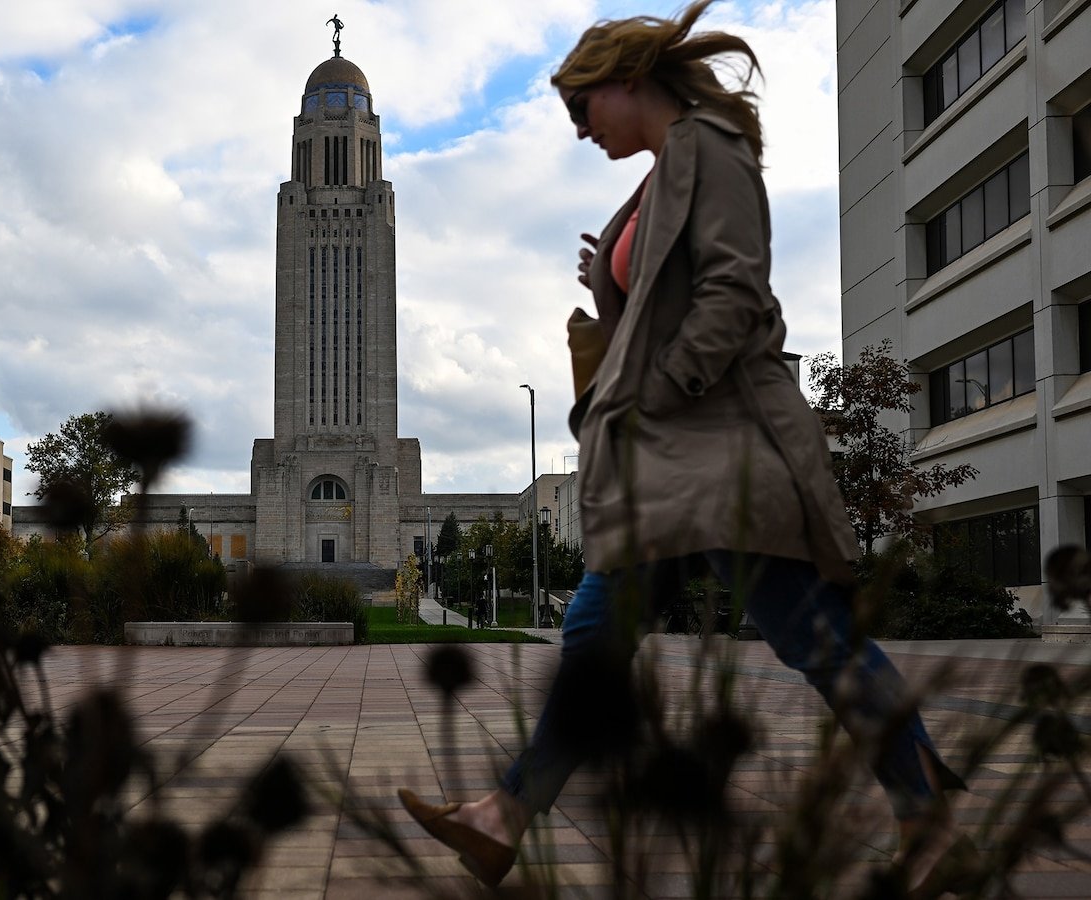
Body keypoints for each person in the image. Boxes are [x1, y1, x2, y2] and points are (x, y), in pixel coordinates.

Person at [399, 2, 975, 892]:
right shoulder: (659, 176)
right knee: (593, 638)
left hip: (720, 450)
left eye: (580, 108)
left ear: (626, 79)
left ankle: (931, 821)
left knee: (813, 637)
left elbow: (735, 296)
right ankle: (503, 816)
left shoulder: (713, 149)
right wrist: (613, 273)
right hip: (666, 465)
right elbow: (671, 292)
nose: (579, 131)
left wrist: (655, 394)